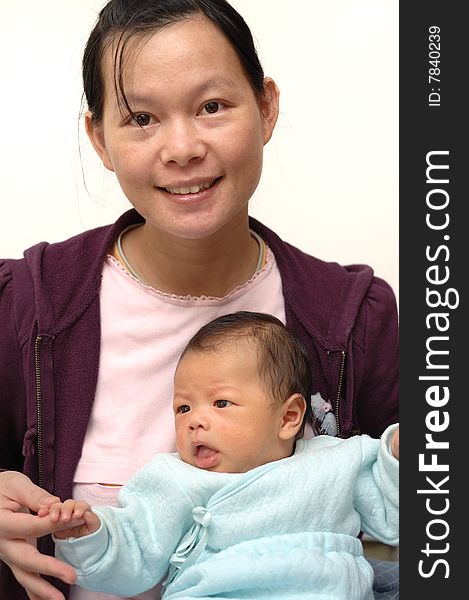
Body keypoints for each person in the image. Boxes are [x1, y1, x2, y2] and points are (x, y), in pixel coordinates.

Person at [0, 1, 399, 599]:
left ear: (266, 108)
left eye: (212, 106)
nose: (182, 147)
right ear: (99, 138)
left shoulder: (354, 316)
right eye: (141, 118)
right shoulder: (21, 304)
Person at [41, 312, 399, 600]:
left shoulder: (337, 461)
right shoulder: (175, 478)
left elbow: (392, 510)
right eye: (183, 407)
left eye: (221, 403)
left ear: (289, 417)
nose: (195, 420)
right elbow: (135, 548)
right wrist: (89, 533)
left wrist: (398, 454)